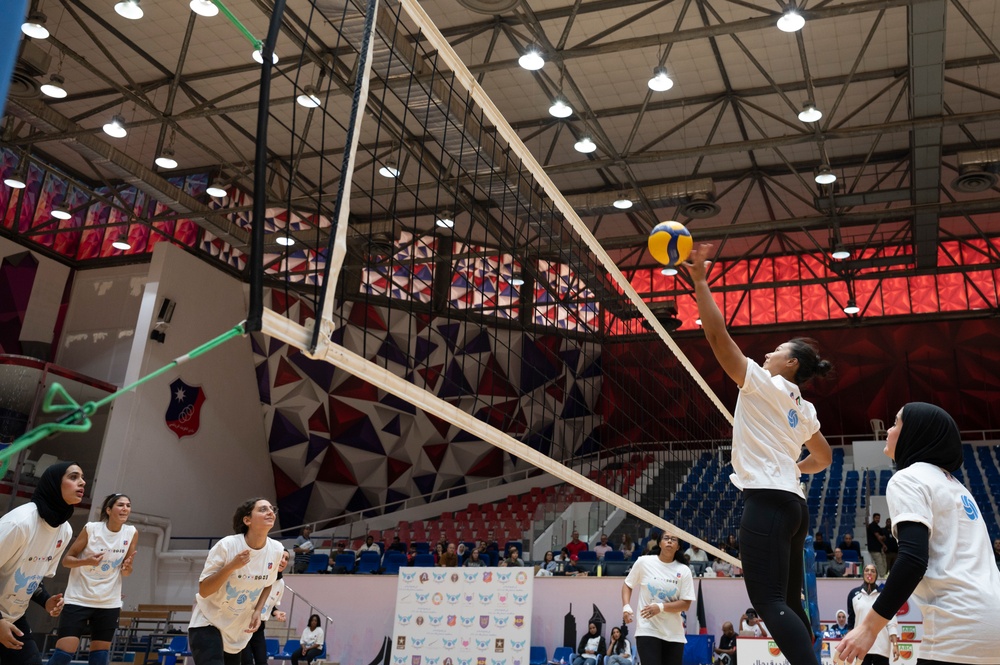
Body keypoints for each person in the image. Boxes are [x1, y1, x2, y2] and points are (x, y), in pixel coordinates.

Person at [688, 243, 832, 665]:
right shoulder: (803, 408)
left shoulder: (762, 383)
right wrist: (790, 468)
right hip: (793, 504)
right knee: (787, 601)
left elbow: (717, 338)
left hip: (767, 501)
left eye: (777, 349)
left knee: (769, 604)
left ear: (789, 363)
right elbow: (823, 458)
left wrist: (700, 282)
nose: (768, 352)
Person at [837, 403, 1000, 665]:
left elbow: (913, 560)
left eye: (895, 423)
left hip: (959, 627)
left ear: (913, 433)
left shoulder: (908, 478)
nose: (888, 430)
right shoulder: (959, 488)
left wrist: (869, 628)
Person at [0, 462, 81, 665]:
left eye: (82, 477)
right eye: (73, 477)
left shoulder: (65, 531)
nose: (82, 482)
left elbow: (30, 576)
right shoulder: (19, 523)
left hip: (13, 618)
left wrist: (45, 600)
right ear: (54, 484)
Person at [188, 498, 284, 665]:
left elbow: (269, 583)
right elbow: (204, 590)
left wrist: (258, 611)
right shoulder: (227, 545)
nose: (270, 512)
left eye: (271, 509)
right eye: (262, 509)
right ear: (247, 520)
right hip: (208, 622)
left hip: (236, 629)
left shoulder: (276, 549)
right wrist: (232, 566)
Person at [47, 493, 139, 665]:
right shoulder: (92, 529)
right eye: (120, 505)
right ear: (109, 509)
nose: (125, 508)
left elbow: (125, 572)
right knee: (64, 654)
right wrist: (87, 561)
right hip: (78, 598)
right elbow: (67, 561)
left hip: (108, 602)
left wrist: (127, 568)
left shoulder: (131, 532)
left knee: (100, 656)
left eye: (128, 505)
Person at [621, 532, 695, 665]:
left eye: (673, 539)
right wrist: (626, 606)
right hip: (648, 629)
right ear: (660, 543)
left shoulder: (684, 570)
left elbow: (685, 604)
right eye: (666, 538)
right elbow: (628, 584)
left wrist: (660, 607)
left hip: (673, 634)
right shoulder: (644, 562)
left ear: (678, 546)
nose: (669, 541)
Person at [845, 564, 898, 665]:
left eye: (873, 571)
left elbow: (891, 621)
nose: (869, 573)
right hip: (860, 645)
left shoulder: (884, 594)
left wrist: (895, 644)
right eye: (867, 570)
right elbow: (851, 622)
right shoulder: (853, 594)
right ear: (863, 574)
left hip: (881, 647)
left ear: (876, 575)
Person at [242, 550, 288, 665]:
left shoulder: (281, 584)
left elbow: (270, 604)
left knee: (262, 661)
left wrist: (276, 612)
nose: (283, 560)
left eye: (286, 558)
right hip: (243, 623)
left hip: (259, 627)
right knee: (246, 661)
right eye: (281, 557)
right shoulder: (261, 575)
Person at [866, 514, 888, 578]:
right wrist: (883, 544)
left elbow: (883, 537)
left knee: (884, 562)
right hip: (874, 548)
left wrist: (883, 538)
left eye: (878, 518)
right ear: (873, 518)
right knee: (879, 563)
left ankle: (884, 576)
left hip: (879, 548)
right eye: (876, 518)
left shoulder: (878, 527)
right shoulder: (872, 526)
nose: (878, 519)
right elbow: (879, 537)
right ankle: (883, 577)